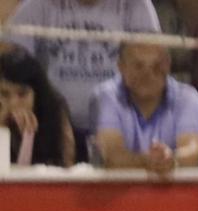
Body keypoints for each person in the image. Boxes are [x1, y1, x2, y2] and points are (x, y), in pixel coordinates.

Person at [3, 0, 158, 140]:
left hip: (118, 128)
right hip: (51, 128)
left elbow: (152, 69)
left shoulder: (137, 5)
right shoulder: (37, 5)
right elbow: (10, 64)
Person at [92, 40, 198, 173]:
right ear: (121, 67)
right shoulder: (105, 96)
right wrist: (150, 161)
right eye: (138, 66)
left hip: (171, 189)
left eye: (157, 66)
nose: (148, 74)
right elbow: (111, 157)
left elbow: (192, 154)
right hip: (118, 191)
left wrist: (171, 159)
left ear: (168, 65)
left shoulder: (187, 97)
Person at [0, 45, 76, 165]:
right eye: (4, 94)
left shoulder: (54, 108)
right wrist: (2, 127)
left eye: (22, 94)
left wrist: (28, 139)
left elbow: (67, 163)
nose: (13, 103)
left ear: (38, 93)